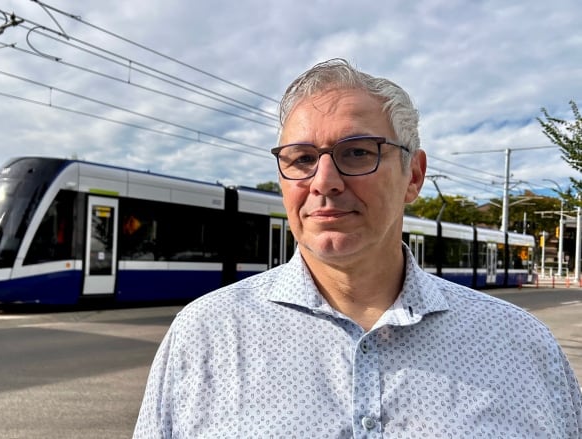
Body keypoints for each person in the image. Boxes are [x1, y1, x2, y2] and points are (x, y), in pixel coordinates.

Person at [133, 58, 582, 437]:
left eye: (357, 152)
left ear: (414, 176)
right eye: (302, 159)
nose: (324, 182)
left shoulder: (522, 345)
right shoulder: (202, 335)